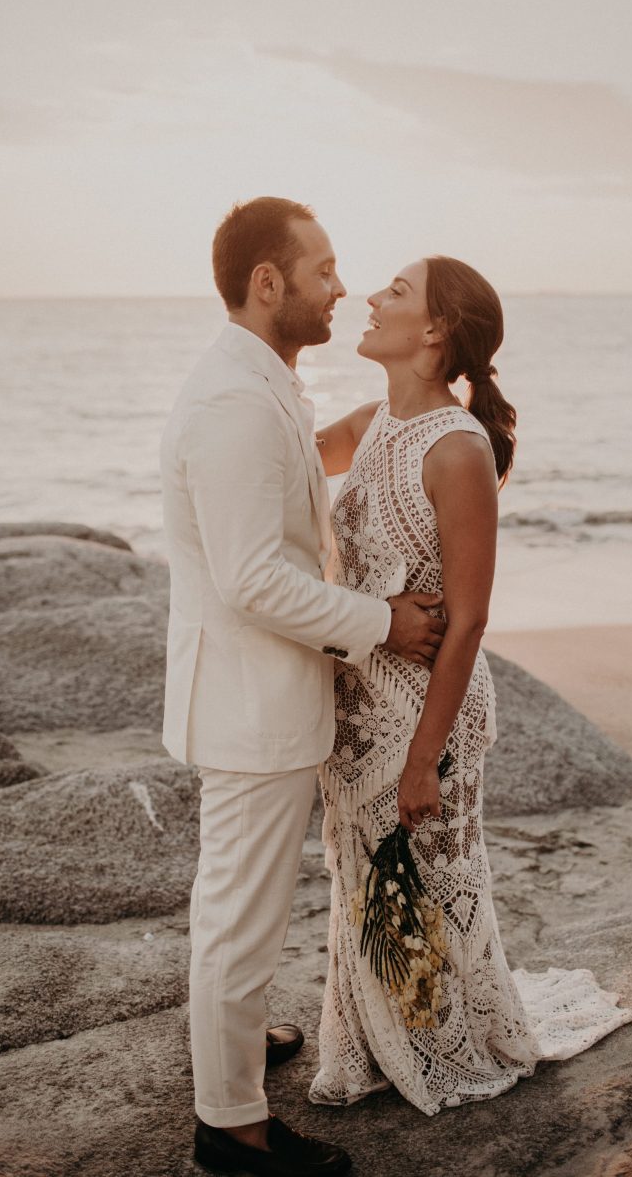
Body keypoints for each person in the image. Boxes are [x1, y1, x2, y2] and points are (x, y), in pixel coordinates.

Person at [309, 254, 632, 1115]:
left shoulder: (458, 449)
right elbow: (294, 462)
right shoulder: (376, 419)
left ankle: (441, 1045)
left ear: (435, 331)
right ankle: (384, 1040)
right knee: (365, 883)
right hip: (358, 700)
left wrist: (424, 761)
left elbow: (470, 619)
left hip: (426, 712)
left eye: (397, 292)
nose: (372, 298)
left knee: (416, 888)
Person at [159, 197, 445, 1176]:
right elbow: (250, 577)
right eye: (322, 269)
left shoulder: (260, 376)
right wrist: (385, 624)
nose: (341, 285)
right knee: (238, 913)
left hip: (259, 693)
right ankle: (229, 1129)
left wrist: (359, 436)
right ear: (266, 283)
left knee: (244, 906)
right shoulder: (235, 396)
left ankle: (231, 1047)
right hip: (249, 703)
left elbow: (276, 490)